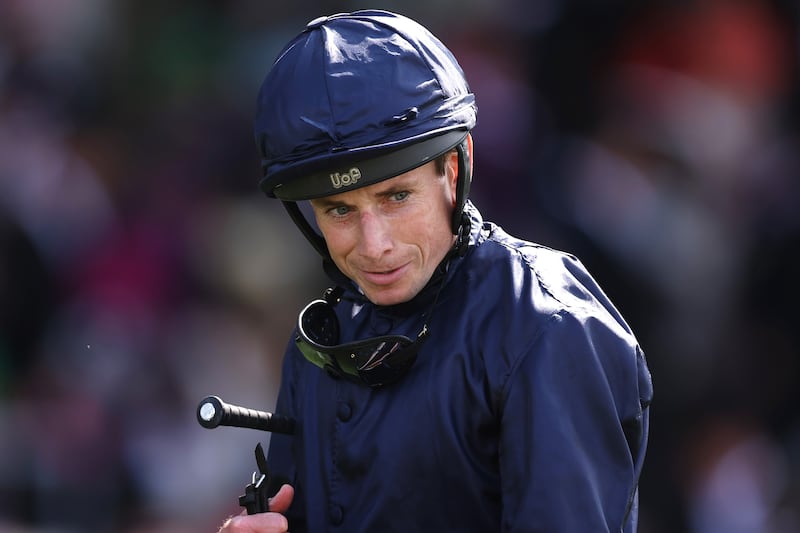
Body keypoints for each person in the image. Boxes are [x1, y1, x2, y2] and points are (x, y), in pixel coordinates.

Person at [219, 9, 653, 533]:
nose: (374, 246)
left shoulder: (547, 328)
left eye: (396, 197)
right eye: (339, 210)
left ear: (455, 167)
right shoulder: (319, 342)